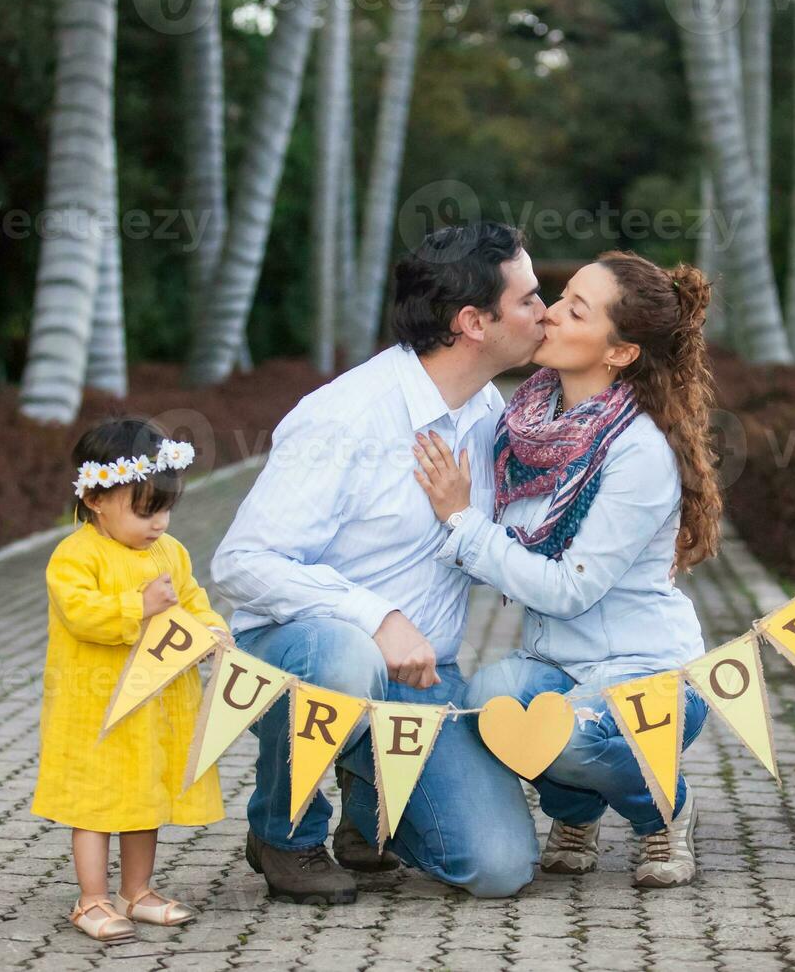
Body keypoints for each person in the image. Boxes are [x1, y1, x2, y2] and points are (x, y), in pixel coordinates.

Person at [211, 222, 546, 903]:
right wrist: (377, 616)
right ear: (473, 322)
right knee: (345, 653)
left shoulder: (490, 412)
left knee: (499, 866)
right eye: (530, 299)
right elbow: (241, 561)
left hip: (425, 679)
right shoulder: (345, 416)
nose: (546, 312)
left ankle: (372, 808)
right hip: (304, 652)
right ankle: (285, 832)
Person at [413, 251, 721, 888]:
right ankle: (575, 809)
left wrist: (461, 522)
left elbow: (571, 590)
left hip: (646, 677)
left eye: (575, 311)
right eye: (559, 298)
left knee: (568, 736)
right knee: (489, 700)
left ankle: (664, 807)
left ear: (619, 353)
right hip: (557, 661)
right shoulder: (525, 424)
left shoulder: (638, 451)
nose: (548, 315)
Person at [32, 418, 230, 943]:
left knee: (145, 796)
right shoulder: (75, 555)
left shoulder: (171, 553)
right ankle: (91, 898)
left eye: (165, 509)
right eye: (145, 511)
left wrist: (213, 633)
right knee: (95, 801)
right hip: (96, 706)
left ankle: (136, 891)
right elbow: (80, 613)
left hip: (156, 704)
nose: (159, 523)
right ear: (97, 499)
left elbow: (193, 601)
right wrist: (137, 606)